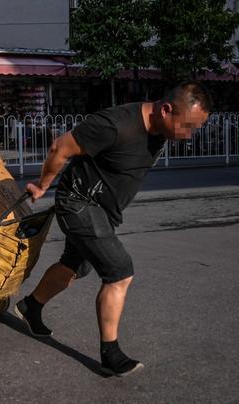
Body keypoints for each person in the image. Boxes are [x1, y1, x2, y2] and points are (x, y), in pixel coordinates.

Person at [14, 81, 212, 377]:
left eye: (194, 129)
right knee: (119, 271)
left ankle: (31, 306)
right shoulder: (114, 125)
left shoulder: (159, 129)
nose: (188, 135)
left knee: (74, 267)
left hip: (103, 210)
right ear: (166, 109)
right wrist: (42, 185)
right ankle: (111, 354)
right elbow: (61, 147)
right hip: (79, 202)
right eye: (187, 126)